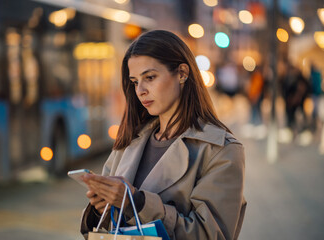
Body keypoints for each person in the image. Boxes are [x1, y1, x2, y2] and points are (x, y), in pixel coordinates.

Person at [80, 30, 246, 240]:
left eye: (150, 77)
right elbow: (107, 229)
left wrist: (138, 203)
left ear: (182, 73)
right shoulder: (131, 138)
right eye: (134, 81)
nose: (140, 90)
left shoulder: (221, 149)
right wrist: (101, 207)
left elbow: (211, 235)